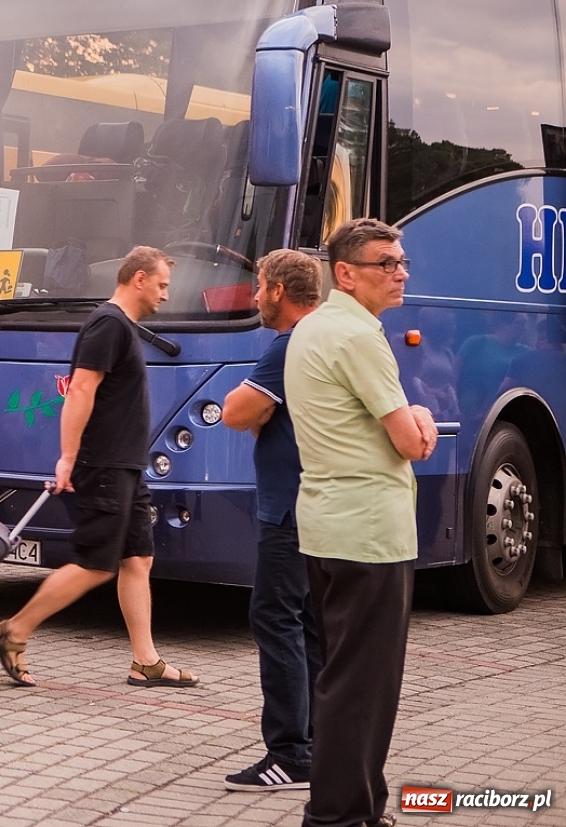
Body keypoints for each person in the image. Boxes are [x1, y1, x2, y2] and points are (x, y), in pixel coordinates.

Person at [0, 246, 198, 689]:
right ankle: (14, 630)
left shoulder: (123, 327)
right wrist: (68, 457)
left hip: (126, 466)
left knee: (138, 559)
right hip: (103, 465)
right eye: (160, 285)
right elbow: (80, 390)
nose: (165, 294)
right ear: (137, 279)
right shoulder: (108, 325)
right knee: (96, 564)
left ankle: (146, 661)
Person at [284, 219, 437, 827]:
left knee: (345, 678)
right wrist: (421, 415)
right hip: (371, 532)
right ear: (344, 272)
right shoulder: (357, 335)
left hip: (325, 525)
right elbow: (409, 441)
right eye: (385, 263)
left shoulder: (314, 327)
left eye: (401, 262)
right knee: (362, 687)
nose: (399, 273)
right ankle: (340, 816)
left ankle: (361, 806)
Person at [220, 250, 324, 793]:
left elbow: (236, 412)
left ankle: (289, 753)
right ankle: (315, 743)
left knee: (275, 618)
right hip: (314, 504)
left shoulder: (289, 345)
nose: (255, 296)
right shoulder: (324, 337)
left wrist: (252, 406)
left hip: (287, 507)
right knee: (306, 624)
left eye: (259, 286)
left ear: (279, 290)